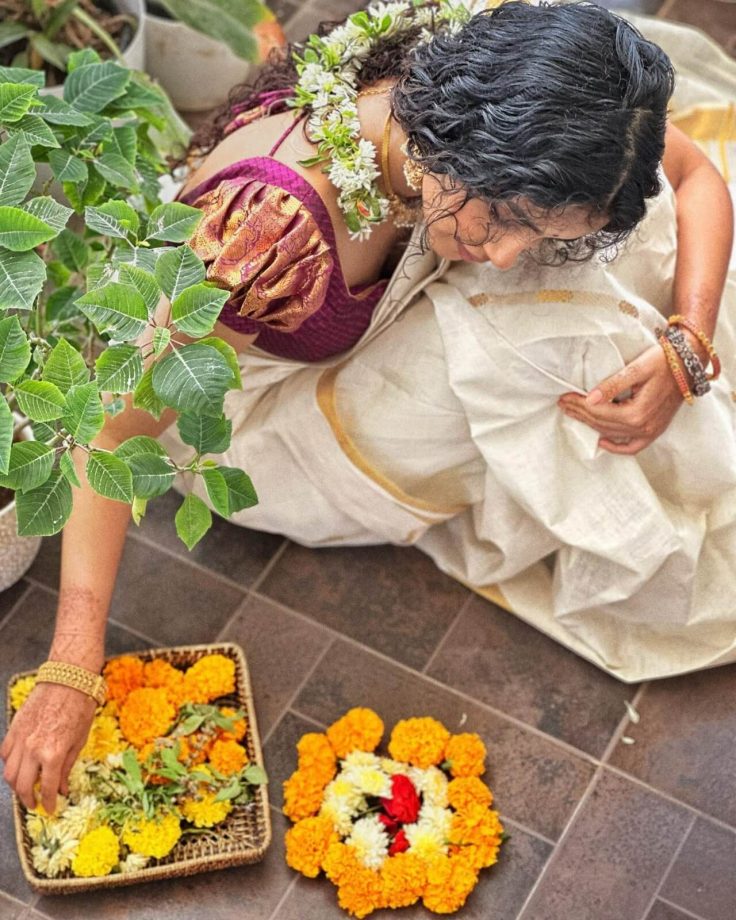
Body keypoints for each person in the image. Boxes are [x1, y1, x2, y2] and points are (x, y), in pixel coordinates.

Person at [2, 0, 734, 816]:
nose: (504, 255)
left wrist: (687, 346)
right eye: (506, 223)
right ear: (462, 138)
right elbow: (109, 428)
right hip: (250, 424)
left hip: (362, 315)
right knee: (564, 343)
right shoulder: (266, 236)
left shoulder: (483, 80)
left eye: (531, 232)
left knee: (633, 251)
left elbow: (695, 174)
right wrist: (71, 666)